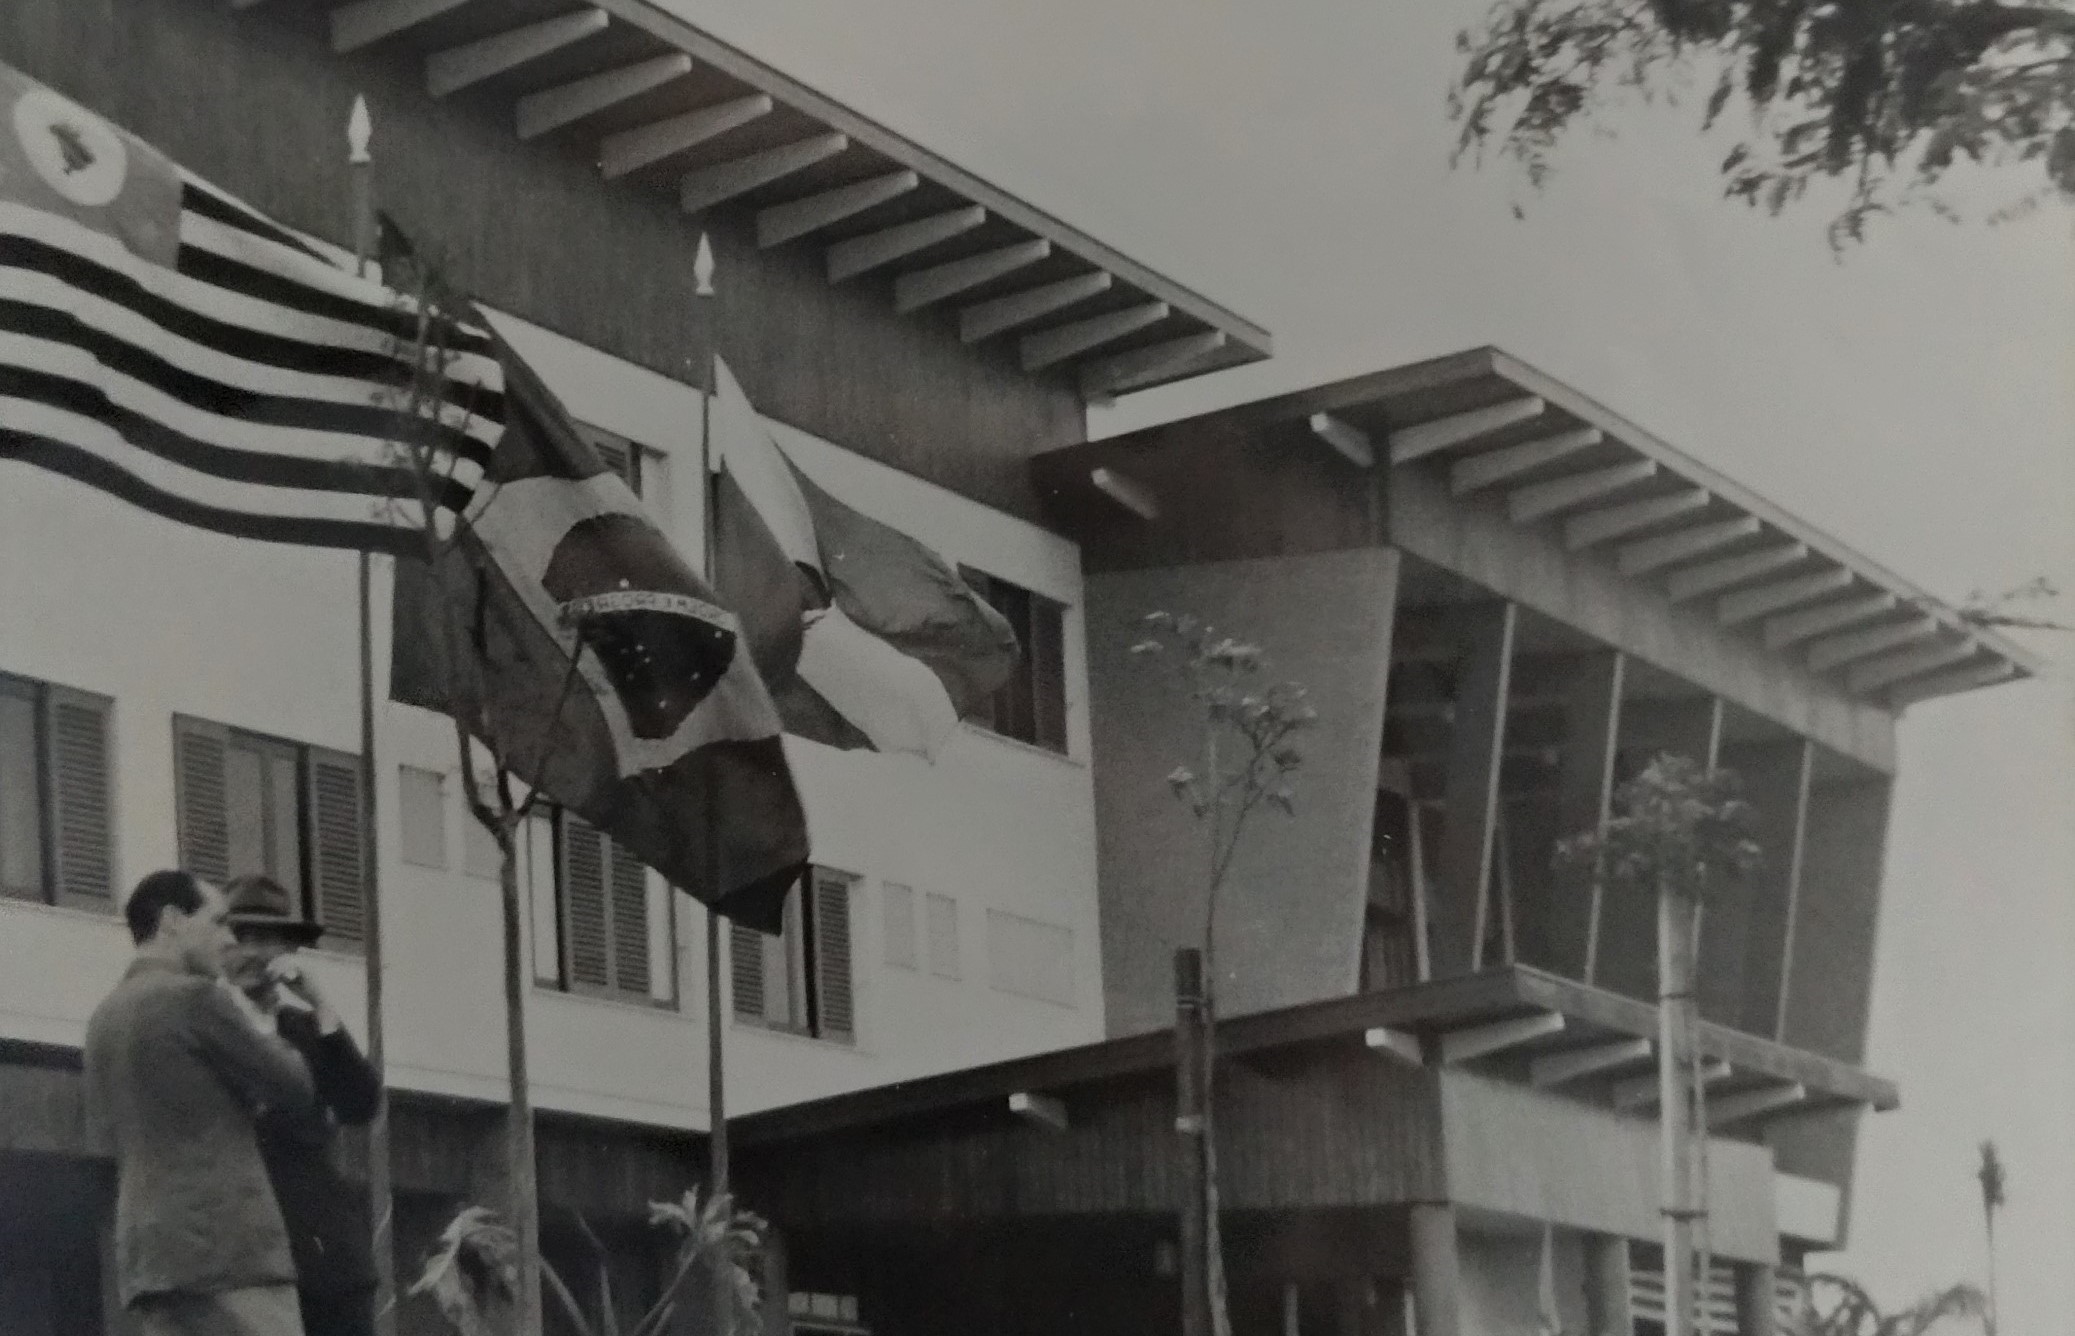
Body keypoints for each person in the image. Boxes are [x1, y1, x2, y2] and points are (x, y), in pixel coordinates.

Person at [84, 869, 316, 1336]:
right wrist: (269, 1030)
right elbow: (294, 1087)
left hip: (151, 1259)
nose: (227, 939)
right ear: (172, 920)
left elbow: (102, 1141)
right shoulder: (196, 998)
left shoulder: (103, 1018)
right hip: (232, 1252)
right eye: (216, 922)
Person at [220, 873, 384, 1336]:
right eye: (239, 936)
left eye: (266, 938)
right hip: (247, 1265)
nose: (251, 951)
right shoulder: (208, 1027)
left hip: (326, 1262)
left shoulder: (308, 1030)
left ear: (287, 950)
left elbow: (360, 1104)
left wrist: (320, 1004)